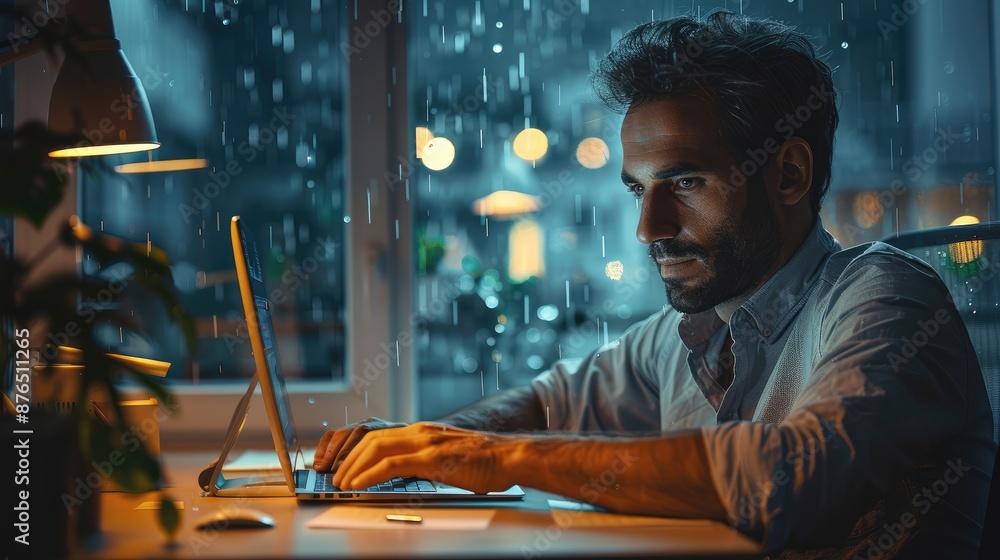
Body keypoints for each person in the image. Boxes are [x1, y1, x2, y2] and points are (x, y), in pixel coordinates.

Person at [314, 11, 995, 558]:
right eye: (639, 190)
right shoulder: (690, 336)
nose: (648, 227)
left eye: (685, 183)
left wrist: (500, 458)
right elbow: (552, 405)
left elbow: (799, 474)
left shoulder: (888, 299)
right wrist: (421, 445)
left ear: (787, 174)